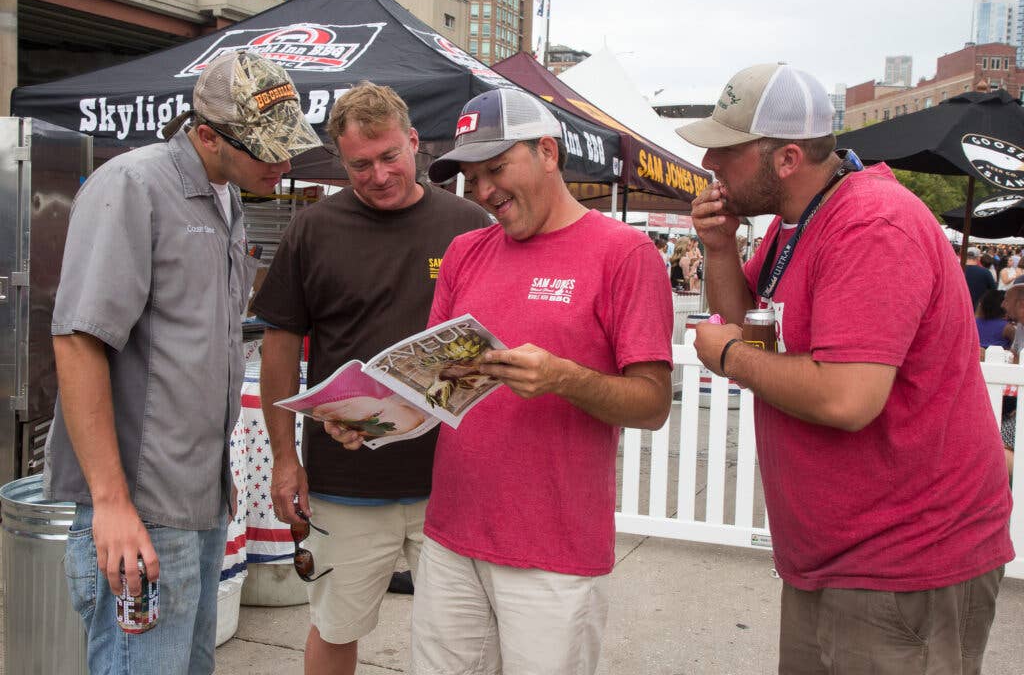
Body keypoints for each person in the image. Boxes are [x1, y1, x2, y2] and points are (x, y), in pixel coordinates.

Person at [681, 63, 1014, 675]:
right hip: (837, 555)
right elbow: (754, 326)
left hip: (904, 560)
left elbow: (847, 398)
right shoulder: (797, 223)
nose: (708, 163)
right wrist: (722, 247)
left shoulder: (871, 224)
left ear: (784, 159)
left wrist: (727, 357)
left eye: (726, 151)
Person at [367, 87, 673, 675]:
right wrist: (370, 418)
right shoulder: (464, 253)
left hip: (553, 552)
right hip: (453, 536)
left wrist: (564, 378)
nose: (484, 192)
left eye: (497, 168)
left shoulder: (625, 253)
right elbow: (438, 387)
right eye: (472, 176)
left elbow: (653, 403)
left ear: (548, 153)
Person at [42, 50, 322, 675]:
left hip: (197, 497)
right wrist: (112, 504)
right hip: (140, 503)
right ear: (205, 135)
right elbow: (78, 340)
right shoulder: (133, 186)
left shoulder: (226, 196)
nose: (283, 162)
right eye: (265, 149)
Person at [251, 81, 490, 675]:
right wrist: (285, 460)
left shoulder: (469, 224)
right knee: (335, 626)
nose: (379, 175)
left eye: (389, 157)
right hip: (345, 481)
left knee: (464, 640)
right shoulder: (314, 228)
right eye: (360, 164)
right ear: (341, 160)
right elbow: (279, 344)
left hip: (453, 478)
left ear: (414, 143)